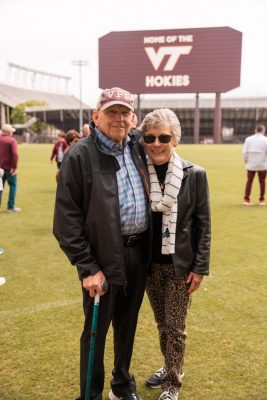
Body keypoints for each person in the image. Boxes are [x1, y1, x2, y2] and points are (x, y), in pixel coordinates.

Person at [53, 87, 151, 400]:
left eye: (125, 112)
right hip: (101, 258)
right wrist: (87, 267)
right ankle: (91, 394)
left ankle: (121, 385)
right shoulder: (79, 155)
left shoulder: (139, 146)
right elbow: (66, 220)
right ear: (96, 116)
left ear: (133, 118)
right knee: (96, 329)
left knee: (127, 325)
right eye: (111, 112)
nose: (119, 118)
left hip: (138, 251)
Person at [139, 109, 211, 400]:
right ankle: (169, 366)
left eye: (164, 137)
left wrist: (201, 267)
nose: (156, 143)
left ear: (176, 139)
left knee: (175, 327)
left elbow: (203, 224)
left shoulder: (195, 175)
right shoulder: (138, 171)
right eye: (150, 137)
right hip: (148, 264)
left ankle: (172, 385)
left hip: (180, 265)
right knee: (162, 324)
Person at [242, 124, 267, 206]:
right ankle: (262, 200)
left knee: (249, 181)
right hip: (262, 164)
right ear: (263, 130)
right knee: (262, 182)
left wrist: (246, 162)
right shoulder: (265, 140)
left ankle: (246, 199)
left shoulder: (248, 139)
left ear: (255, 130)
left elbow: (245, 152)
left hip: (251, 164)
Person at [0, 123, 21, 212]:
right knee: (13, 186)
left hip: (0, 169)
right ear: (9, 132)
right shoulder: (12, 141)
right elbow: (15, 155)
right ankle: (10, 206)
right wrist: (14, 167)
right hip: (9, 168)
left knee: (0, 188)